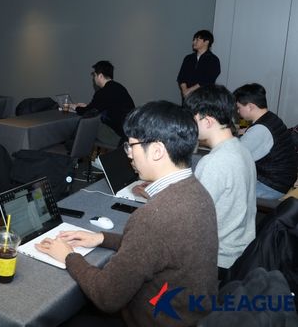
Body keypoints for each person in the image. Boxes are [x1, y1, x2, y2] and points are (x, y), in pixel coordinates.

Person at [36, 101, 218, 326]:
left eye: (132, 146)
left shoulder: (155, 216)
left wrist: (68, 256)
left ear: (157, 150)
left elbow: (106, 296)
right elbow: (163, 247)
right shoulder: (197, 191)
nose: (129, 155)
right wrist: (102, 238)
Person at [184, 85, 256, 275]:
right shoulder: (241, 149)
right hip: (240, 250)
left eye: (193, 120)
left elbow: (188, 220)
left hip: (218, 259)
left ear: (207, 121)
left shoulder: (214, 162)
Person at [233, 83, 297, 199]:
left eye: (239, 108)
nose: (238, 112)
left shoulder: (260, 130)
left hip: (272, 186)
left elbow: (235, 157)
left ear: (250, 106)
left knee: (227, 191)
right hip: (281, 180)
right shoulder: (271, 118)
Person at [72, 60, 135, 147]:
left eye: (94, 75)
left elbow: (86, 112)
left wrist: (75, 107)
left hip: (119, 137)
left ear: (100, 76)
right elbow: (103, 107)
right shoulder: (119, 87)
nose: (94, 78)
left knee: (89, 123)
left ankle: (76, 151)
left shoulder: (103, 92)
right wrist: (87, 106)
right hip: (129, 133)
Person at [177, 29, 220, 99]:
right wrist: (185, 91)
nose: (194, 42)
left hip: (203, 97)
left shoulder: (213, 60)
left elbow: (208, 79)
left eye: (197, 40)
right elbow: (181, 77)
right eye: (194, 40)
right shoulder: (188, 58)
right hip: (187, 97)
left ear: (206, 42)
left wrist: (189, 90)